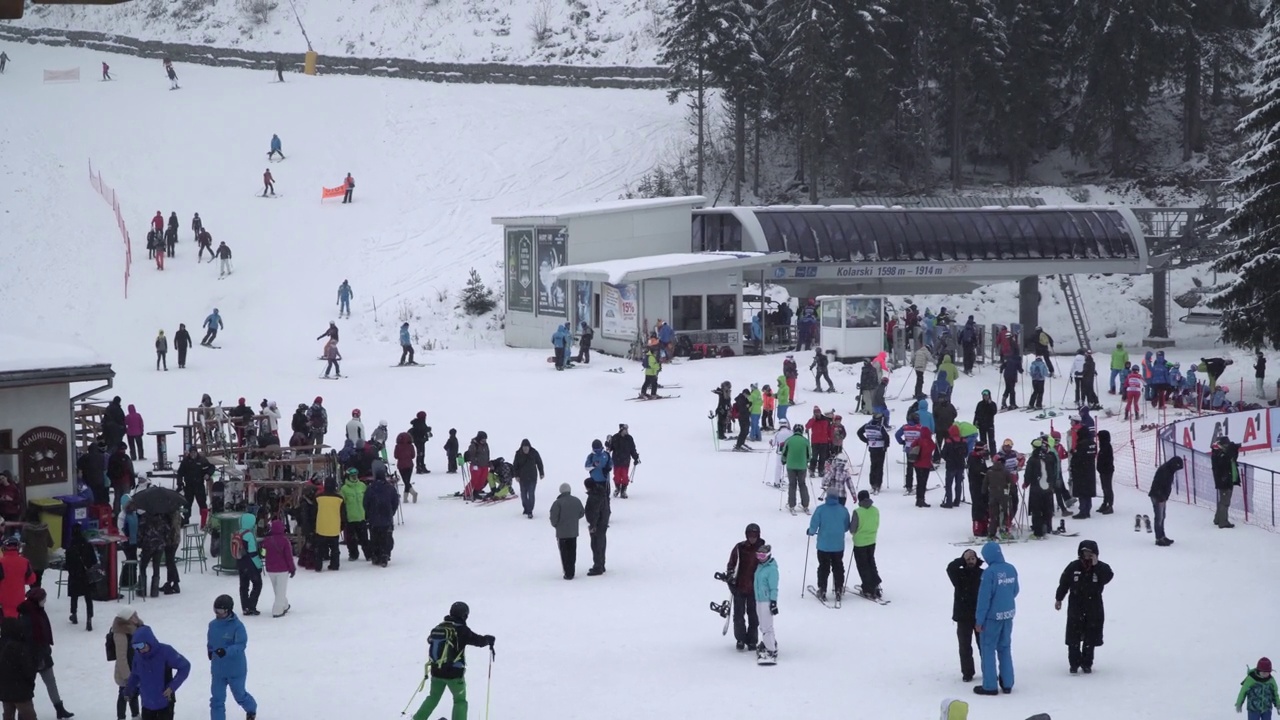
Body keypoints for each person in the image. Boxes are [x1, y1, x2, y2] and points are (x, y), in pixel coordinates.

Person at [411, 602, 495, 720]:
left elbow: (430, 640)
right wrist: (489, 639)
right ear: (464, 615)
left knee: (433, 697)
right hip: (454, 674)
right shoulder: (462, 630)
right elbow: (479, 641)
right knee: (460, 701)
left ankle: (417, 718)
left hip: (436, 670)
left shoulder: (439, 627)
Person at [1054, 540, 1114, 674]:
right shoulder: (1074, 566)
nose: (1087, 554)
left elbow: (1108, 577)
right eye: (1085, 551)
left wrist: (1096, 565)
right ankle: (1074, 663)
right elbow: (1064, 583)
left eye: (1090, 552)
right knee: (1073, 636)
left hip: (1094, 606)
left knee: (1091, 636)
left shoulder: (1101, 568)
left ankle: (1087, 663)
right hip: (1076, 605)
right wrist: (1059, 598)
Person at [17, 587, 73, 719]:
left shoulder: (37, 611)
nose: (45, 601)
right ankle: (23, 713)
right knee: (29, 686)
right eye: (43, 599)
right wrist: (40, 653)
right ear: (37, 600)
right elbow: (29, 638)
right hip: (33, 657)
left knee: (50, 682)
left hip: (42, 653)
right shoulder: (28, 615)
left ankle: (59, 708)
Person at [973, 541, 1018, 696]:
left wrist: (979, 620)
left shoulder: (989, 573)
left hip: (992, 618)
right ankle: (1007, 682)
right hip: (1008, 615)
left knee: (988, 649)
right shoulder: (1011, 569)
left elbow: (984, 599)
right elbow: (1015, 590)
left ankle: (990, 685)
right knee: (1005, 648)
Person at [125, 623, 190, 720]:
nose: (139, 650)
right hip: (147, 704)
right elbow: (135, 674)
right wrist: (128, 689)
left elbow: (185, 666)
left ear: (149, 641)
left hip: (165, 702)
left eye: (141, 645)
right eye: (135, 647)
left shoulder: (165, 651)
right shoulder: (138, 656)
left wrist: (172, 687)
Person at [208, 594, 257, 720]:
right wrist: (209, 650)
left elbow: (241, 645)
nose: (217, 614)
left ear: (228, 610)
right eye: (215, 610)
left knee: (239, 695)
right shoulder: (213, 625)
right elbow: (211, 641)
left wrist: (226, 651)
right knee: (217, 699)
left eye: (220, 611)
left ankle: (251, 709)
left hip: (235, 669)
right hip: (218, 670)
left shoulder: (237, 626)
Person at [724, 523, 766, 650]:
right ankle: (740, 638)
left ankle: (752, 640)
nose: (752, 538)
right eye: (750, 535)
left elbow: (767, 567)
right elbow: (731, 564)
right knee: (738, 615)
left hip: (755, 588)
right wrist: (731, 577)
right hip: (740, 587)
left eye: (754, 535)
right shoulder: (739, 548)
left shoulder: (762, 550)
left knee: (753, 615)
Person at [947, 549, 984, 682]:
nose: (970, 561)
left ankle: (988, 670)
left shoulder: (982, 574)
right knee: (964, 647)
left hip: (979, 616)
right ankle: (967, 672)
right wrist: (961, 560)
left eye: (972, 558)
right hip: (963, 617)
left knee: (983, 646)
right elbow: (950, 568)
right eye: (967, 559)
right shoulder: (958, 574)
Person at [807, 492, 850, 602]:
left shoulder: (820, 509)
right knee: (838, 566)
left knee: (823, 567)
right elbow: (846, 527)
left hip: (823, 545)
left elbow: (814, 525)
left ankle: (822, 589)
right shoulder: (843, 510)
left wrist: (811, 532)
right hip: (838, 545)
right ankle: (839, 588)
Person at [0, 617, 38, 720]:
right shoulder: (20, 648)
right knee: (29, 716)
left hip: (4, 691)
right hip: (21, 692)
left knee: (8, 715)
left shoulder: (2, 645)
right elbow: (28, 670)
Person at [257, 520, 295, 618]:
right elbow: (288, 557)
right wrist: (292, 568)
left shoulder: (267, 540)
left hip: (270, 569)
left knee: (277, 589)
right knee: (281, 590)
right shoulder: (284, 540)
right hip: (282, 569)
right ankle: (277, 610)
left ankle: (284, 605)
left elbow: (263, 554)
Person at [110, 607, 143, 720]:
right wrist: (127, 676)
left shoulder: (135, 628)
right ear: (128, 618)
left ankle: (135, 715)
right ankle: (121, 717)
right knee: (124, 694)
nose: (137, 617)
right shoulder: (121, 633)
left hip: (134, 667)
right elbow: (121, 657)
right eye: (134, 615)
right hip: (125, 670)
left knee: (134, 693)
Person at [849, 490, 881, 598]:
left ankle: (868, 588)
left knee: (863, 566)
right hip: (872, 541)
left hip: (860, 543)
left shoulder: (857, 512)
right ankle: (875, 583)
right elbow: (877, 524)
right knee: (871, 562)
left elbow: (852, 529)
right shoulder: (875, 510)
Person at [548, 483, 585, 579]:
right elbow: (581, 513)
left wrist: (556, 525)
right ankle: (572, 570)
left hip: (562, 533)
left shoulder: (557, 503)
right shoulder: (576, 500)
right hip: (573, 532)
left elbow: (553, 518)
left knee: (564, 553)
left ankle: (567, 572)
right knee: (572, 552)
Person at [65, 526, 98, 629]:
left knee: (74, 595)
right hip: (86, 574)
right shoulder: (87, 545)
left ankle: (74, 614)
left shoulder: (70, 547)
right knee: (88, 597)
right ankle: (89, 618)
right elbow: (94, 560)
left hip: (75, 574)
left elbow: (67, 564)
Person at [364, 472, 399, 567]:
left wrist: (368, 514)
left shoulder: (370, 488)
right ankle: (385, 554)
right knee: (387, 537)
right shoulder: (390, 488)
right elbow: (395, 501)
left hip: (374, 518)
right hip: (387, 517)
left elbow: (365, 503)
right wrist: (392, 512)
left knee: (375, 537)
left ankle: (376, 555)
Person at [1148, 456, 1183, 546]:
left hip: (1162, 497)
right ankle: (1159, 538)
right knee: (1159, 517)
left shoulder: (1169, 470)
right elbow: (1159, 485)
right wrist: (1161, 497)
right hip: (1158, 496)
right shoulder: (1165, 471)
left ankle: (1162, 536)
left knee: (1162, 516)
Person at [753, 544, 779, 665]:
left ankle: (771, 650)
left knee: (766, 627)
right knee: (763, 626)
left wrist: (773, 602)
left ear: (768, 555)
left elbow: (774, 588)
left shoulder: (771, 569)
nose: (760, 557)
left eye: (762, 555)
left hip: (766, 601)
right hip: (759, 600)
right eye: (758, 555)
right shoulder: (760, 566)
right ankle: (770, 643)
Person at [0, 536, 35, 619]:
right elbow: (31, 579)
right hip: (19, 599)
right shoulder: (25, 562)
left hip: (2, 600)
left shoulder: (1, 562)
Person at [314, 478, 344, 570]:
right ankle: (335, 565)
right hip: (334, 527)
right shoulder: (339, 499)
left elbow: (314, 512)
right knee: (335, 549)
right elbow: (343, 514)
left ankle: (318, 566)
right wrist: (342, 526)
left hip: (321, 526)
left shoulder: (318, 498)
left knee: (319, 548)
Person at [584, 475, 611, 577]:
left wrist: (593, 525)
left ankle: (598, 566)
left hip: (598, 524)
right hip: (603, 522)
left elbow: (594, 512)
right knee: (601, 543)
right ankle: (601, 564)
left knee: (596, 544)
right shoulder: (602, 493)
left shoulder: (594, 497)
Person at [510, 439, 544, 518]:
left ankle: (530, 511)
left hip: (532, 477)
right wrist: (516, 476)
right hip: (522, 478)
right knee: (524, 495)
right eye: (524, 448)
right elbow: (515, 466)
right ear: (521, 447)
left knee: (531, 494)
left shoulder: (534, 453)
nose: (525, 449)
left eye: (527, 447)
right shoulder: (518, 454)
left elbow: (539, 463)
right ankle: (525, 508)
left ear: (529, 447)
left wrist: (541, 473)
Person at [19, 510, 53, 588]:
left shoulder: (26, 530)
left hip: (30, 560)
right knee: (39, 579)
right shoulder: (44, 529)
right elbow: (50, 544)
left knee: (31, 580)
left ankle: (33, 595)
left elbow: (22, 542)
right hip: (42, 559)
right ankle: (37, 595)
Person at [781, 426, 811, 514]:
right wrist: (807, 461)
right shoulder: (805, 441)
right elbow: (809, 454)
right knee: (802, 484)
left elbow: (784, 452)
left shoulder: (789, 440)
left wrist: (783, 460)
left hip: (791, 466)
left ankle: (792, 504)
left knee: (792, 485)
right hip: (802, 466)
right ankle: (805, 504)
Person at [856, 413, 888, 493]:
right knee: (879, 466)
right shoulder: (880, 427)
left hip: (872, 448)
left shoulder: (867, 425)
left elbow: (859, 432)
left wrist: (866, 440)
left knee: (873, 465)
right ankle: (878, 484)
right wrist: (886, 445)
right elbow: (886, 437)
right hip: (880, 448)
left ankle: (872, 483)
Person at [607, 424, 639, 499]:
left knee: (624, 476)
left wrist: (636, 458)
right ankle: (617, 488)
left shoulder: (629, 438)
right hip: (616, 461)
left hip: (625, 461)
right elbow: (610, 448)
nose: (627, 431)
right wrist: (608, 444)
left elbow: (632, 449)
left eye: (627, 429)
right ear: (621, 429)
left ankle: (623, 490)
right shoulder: (615, 437)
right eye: (625, 429)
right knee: (617, 476)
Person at [464, 432, 490, 497]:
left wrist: (488, 462)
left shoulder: (486, 445)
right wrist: (475, 461)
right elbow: (470, 455)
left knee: (482, 480)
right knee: (475, 479)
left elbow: (487, 454)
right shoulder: (474, 445)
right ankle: (467, 493)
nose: (484, 441)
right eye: (482, 439)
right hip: (476, 465)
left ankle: (476, 492)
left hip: (484, 465)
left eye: (485, 439)